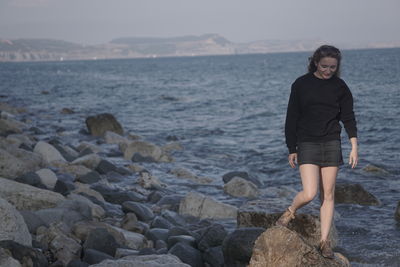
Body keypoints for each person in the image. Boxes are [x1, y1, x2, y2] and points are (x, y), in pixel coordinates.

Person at [276, 45, 358, 259]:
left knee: (328, 194)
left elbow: (348, 117)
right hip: (307, 142)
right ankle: (290, 211)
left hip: (331, 141)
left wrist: (354, 146)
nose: (328, 70)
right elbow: (291, 118)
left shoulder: (340, 87)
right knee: (310, 192)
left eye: (333, 67)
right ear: (314, 62)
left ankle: (324, 242)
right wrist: (291, 148)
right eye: (324, 66)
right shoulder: (301, 84)